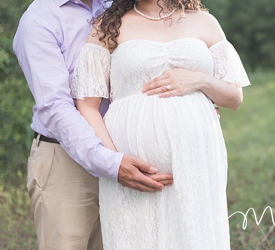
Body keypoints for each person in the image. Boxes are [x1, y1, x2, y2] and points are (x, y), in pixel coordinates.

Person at [70, 0, 250, 248]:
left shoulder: (204, 21)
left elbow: (234, 98)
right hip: (133, 169)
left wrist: (199, 80)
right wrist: (116, 162)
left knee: (195, 236)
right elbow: (87, 105)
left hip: (196, 163)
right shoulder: (108, 26)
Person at [13, 0, 174, 249]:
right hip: (65, 162)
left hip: (132, 156)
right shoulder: (39, 19)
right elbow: (55, 107)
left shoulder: (121, 5)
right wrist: (110, 162)